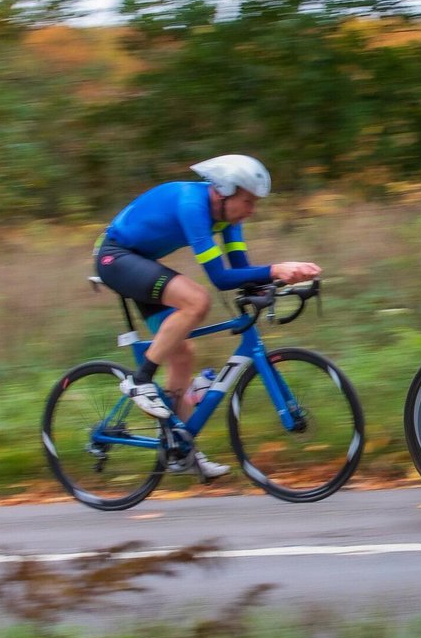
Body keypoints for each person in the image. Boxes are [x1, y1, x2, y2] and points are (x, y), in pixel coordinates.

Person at [94, 154, 321, 478]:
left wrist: (281, 280)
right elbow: (219, 278)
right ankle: (140, 381)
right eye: (248, 201)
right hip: (116, 257)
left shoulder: (228, 217)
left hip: (139, 263)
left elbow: (241, 271)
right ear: (224, 191)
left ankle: (179, 448)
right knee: (196, 300)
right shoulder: (193, 205)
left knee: (184, 354)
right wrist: (275, 269)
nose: (251, 210)